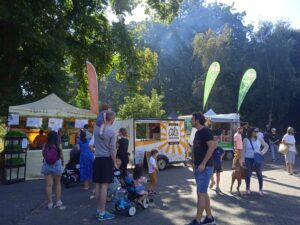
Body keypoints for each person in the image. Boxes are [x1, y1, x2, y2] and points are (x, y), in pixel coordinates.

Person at [186, 112, 216, 225]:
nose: (190, 121)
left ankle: (197, 220)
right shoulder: (198, 132)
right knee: (203, 193)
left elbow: (212, 147)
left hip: (205, 167)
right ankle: (209, 218)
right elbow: (196, 149)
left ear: (197, 120)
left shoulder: (206, 131)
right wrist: (193, 162)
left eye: (191, 119)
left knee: (201, 194)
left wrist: (203, 163)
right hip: (198, 167)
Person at [93, 111, 118, 221]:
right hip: (106, 160)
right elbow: (112, 150)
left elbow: (99, 119)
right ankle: (102, 213)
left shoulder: (95, 128)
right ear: (112, 119)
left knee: (98, 185)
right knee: (104, 186)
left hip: (97, 159)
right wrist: (115, 163)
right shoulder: (111, 132)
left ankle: (99, 210)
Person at [241, 127, 268, 196]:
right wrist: (242, 160)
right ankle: (247, 188)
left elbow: (266, 146)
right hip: (248, 158)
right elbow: (243, 150)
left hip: (257, 158)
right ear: (250, 132)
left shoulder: (259, 138)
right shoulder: (246, 139)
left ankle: (260, 189)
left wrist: (261, 153)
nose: (256, 133)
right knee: (248, 174)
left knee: (259, 174)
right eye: (255, 131)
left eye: (257, 131)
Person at [41, 131, 64, 209]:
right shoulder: (58, 145)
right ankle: (58, 201)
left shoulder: (45, 145)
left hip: (47, 165)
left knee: (48, 185)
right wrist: (63, 162)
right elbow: (61, 155)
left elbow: (43, 154)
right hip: (57, 164)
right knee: (57, 184)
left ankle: (50, 203)